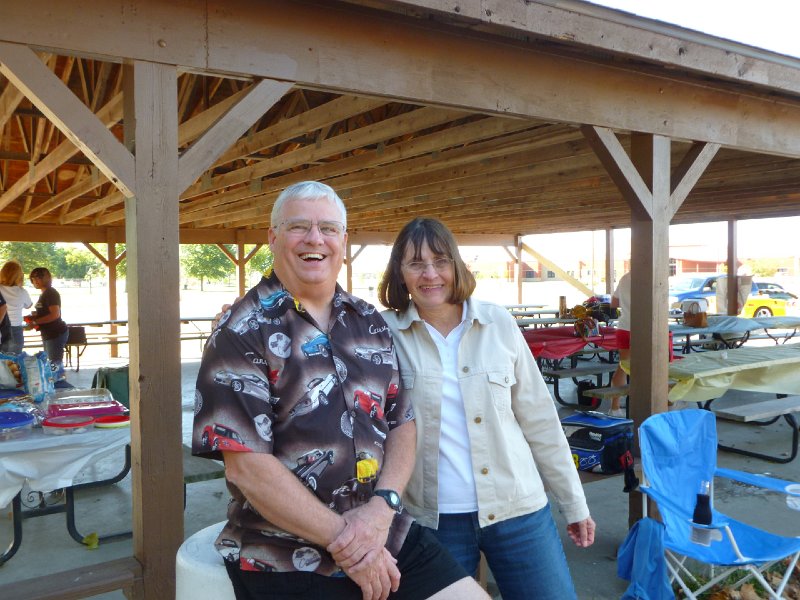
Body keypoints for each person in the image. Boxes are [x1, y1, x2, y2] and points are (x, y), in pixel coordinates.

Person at [193, 181, 488, 600]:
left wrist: (382, 508)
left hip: (384, 530)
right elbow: (246, 467)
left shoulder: (367, 320)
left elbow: (402, 423)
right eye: (299, 227)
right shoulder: (241, 330)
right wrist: (353, 545)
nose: (315, 239)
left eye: (328, 229)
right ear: (273, 238)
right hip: (282, 551)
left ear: (343, 242)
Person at [377, 217, 596, 600]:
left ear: (457, 266)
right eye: (415, 263)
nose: (430, 274)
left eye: (440, 261)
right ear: (400, 272)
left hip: (518, 509)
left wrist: (574, 503)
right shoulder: (382, 333)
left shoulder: (498, 323)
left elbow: (540, 421)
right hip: (431, 521)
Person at [26, 267, 68, 380]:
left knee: (55, 363)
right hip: (49, 333)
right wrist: (35, 316)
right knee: (52, 362)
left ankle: (58, 384)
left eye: (40, 276)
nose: (36, 280)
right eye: (33, 278)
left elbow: (55, 314)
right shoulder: (44, 294)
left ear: (49, 277)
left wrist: (35, 321)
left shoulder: (51, 293)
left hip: (55, 333)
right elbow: (47, 312)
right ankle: (56, 382)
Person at [609, 271, 632, 417]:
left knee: (623, 367)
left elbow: (614, 303)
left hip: (624, 328)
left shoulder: (625, 278)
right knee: (656, 366)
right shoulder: (651, 276)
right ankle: (667, 403)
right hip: (644, 328)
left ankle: (615, 408)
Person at [0, 260, 33, 354]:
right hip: (16, 330)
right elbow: (29, 305)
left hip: (2, 328)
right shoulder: (22, 292)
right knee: (15, 363)